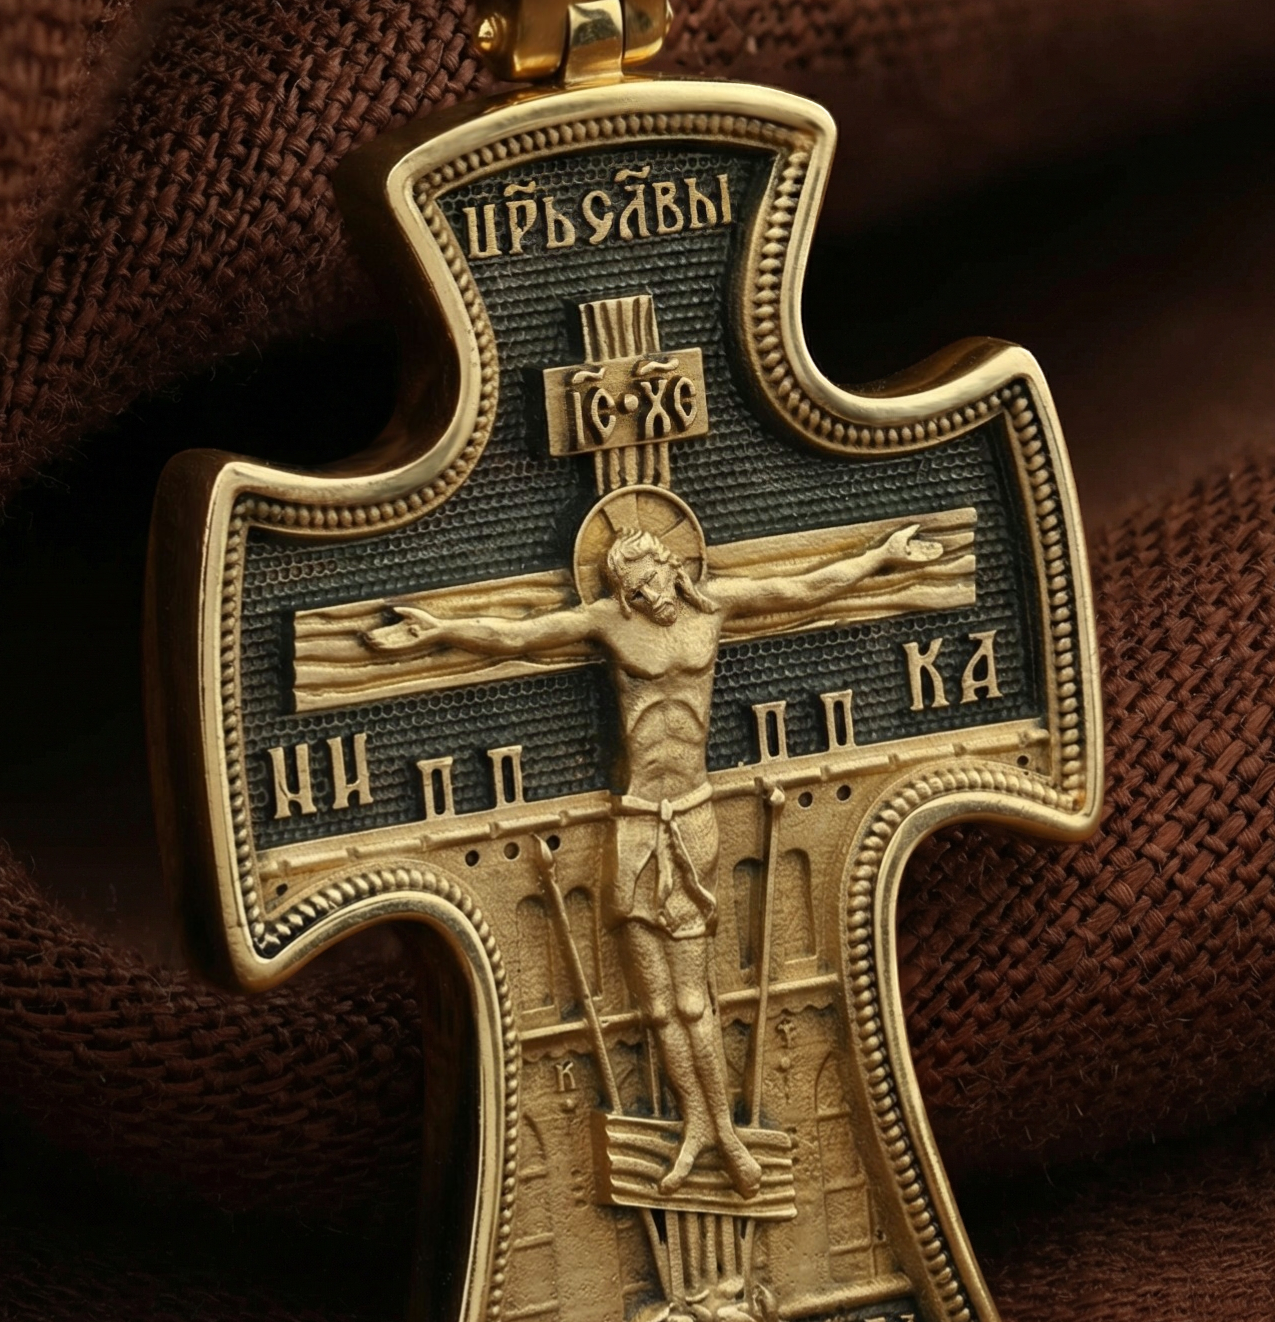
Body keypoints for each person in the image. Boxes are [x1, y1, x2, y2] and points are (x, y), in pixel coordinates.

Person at [368, 508, 944, 1198]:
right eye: (633, 593)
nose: (648, 599)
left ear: (673, 566)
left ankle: (724, 1130)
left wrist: (881, 554)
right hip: (636, 822)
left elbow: (803, 588)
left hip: (693, 818)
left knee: (696, 1001)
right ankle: (693, 1124)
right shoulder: (611, 624)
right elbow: (520, 635)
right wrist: (440, 629)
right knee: (660, 1006)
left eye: (651, 583)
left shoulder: (715, 607)